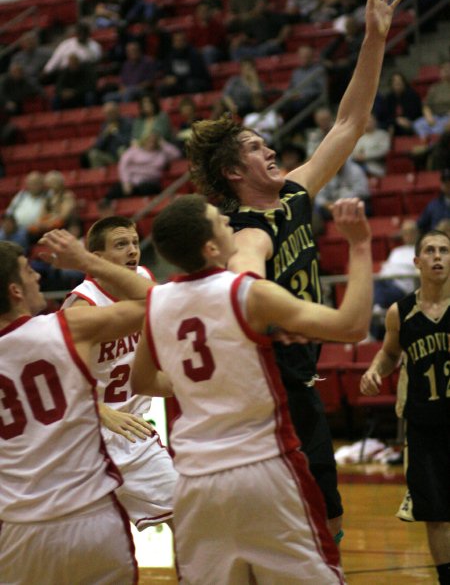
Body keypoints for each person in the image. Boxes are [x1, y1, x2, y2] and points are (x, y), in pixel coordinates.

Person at [186, 0, 405, 542]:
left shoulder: (293, 193)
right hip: (266, 386)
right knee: (295, 523)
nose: (272, 149)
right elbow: (245, 269)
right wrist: (255, 298)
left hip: (299, 378)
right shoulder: (243, 228)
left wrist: (374, 39)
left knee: (327, 515)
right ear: (235, 173)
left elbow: (349, 124)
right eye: (258, 148)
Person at [131, 193, 373, 585]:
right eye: (221, 222)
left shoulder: (157, 301)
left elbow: (141, 380)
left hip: (194, 480)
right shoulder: (248, 293)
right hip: (263, 469)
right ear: (211, 247)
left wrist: (200, 386)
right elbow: (353, 325)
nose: (231, 225)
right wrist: (360, 245)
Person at [0, 228, 158, 584]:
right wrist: (87, 262)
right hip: (90, 516)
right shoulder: (68, 327)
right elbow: (158, 301)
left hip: (20, 528)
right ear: (14, 291)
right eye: (28, 270)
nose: (38, 275)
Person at [63, 216, 178, 531]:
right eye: (121, 244)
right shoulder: (81, 308)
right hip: (87, 438)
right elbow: (63, 382)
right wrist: (101, 412)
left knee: (190, 518)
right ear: (96, 259)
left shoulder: (142, 279)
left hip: (133, 435)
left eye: (134, 243)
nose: (133, 251)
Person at [360, 229, 450, 585]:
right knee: (436, 513)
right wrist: (374, 370)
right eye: (430, 250)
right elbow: (390, 354)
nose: (438, 256)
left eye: (444, 250)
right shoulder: (401, 312)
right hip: (423, 425)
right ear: (417, 262)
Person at [370, 218, 419, 339]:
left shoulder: (420, 250)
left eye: (411, 231)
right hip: (386, 282)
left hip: (403, 287)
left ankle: (377, 312)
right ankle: (373, 328)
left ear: (417, 233)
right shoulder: (396, 251)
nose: (408, 235)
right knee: (374, 285)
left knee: (378, 294)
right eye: (405, 232)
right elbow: (385, 269)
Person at [104, 131, 180, 201]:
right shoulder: (135, 150)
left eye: (154, 140)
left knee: (145, 189)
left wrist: (163, 143)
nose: (151, 142)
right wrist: (126, 182)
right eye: (149, 140)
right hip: (132, 182)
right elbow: (123, 164)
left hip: (151, 182)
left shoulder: (161, 153)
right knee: (116, 190)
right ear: (144, 140)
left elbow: (176, 154)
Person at [83, 101, 133, 169]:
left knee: (122, 150)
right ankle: (100, 177)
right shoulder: (105, 125)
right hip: (111, 156)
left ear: (117, 111)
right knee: (93, 154)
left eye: (111, 113)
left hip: (125, 153)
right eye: (107, 114)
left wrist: (115, 132)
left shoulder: (127, 122)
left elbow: (128, 141)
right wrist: (105, 135)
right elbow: (98, 146)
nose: (109, 116)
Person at [417, 168, 450, 234]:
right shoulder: (433, 205)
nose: (448, 185)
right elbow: (420, 225)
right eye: (446, 183)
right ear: (442, 184)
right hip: (437, 240)